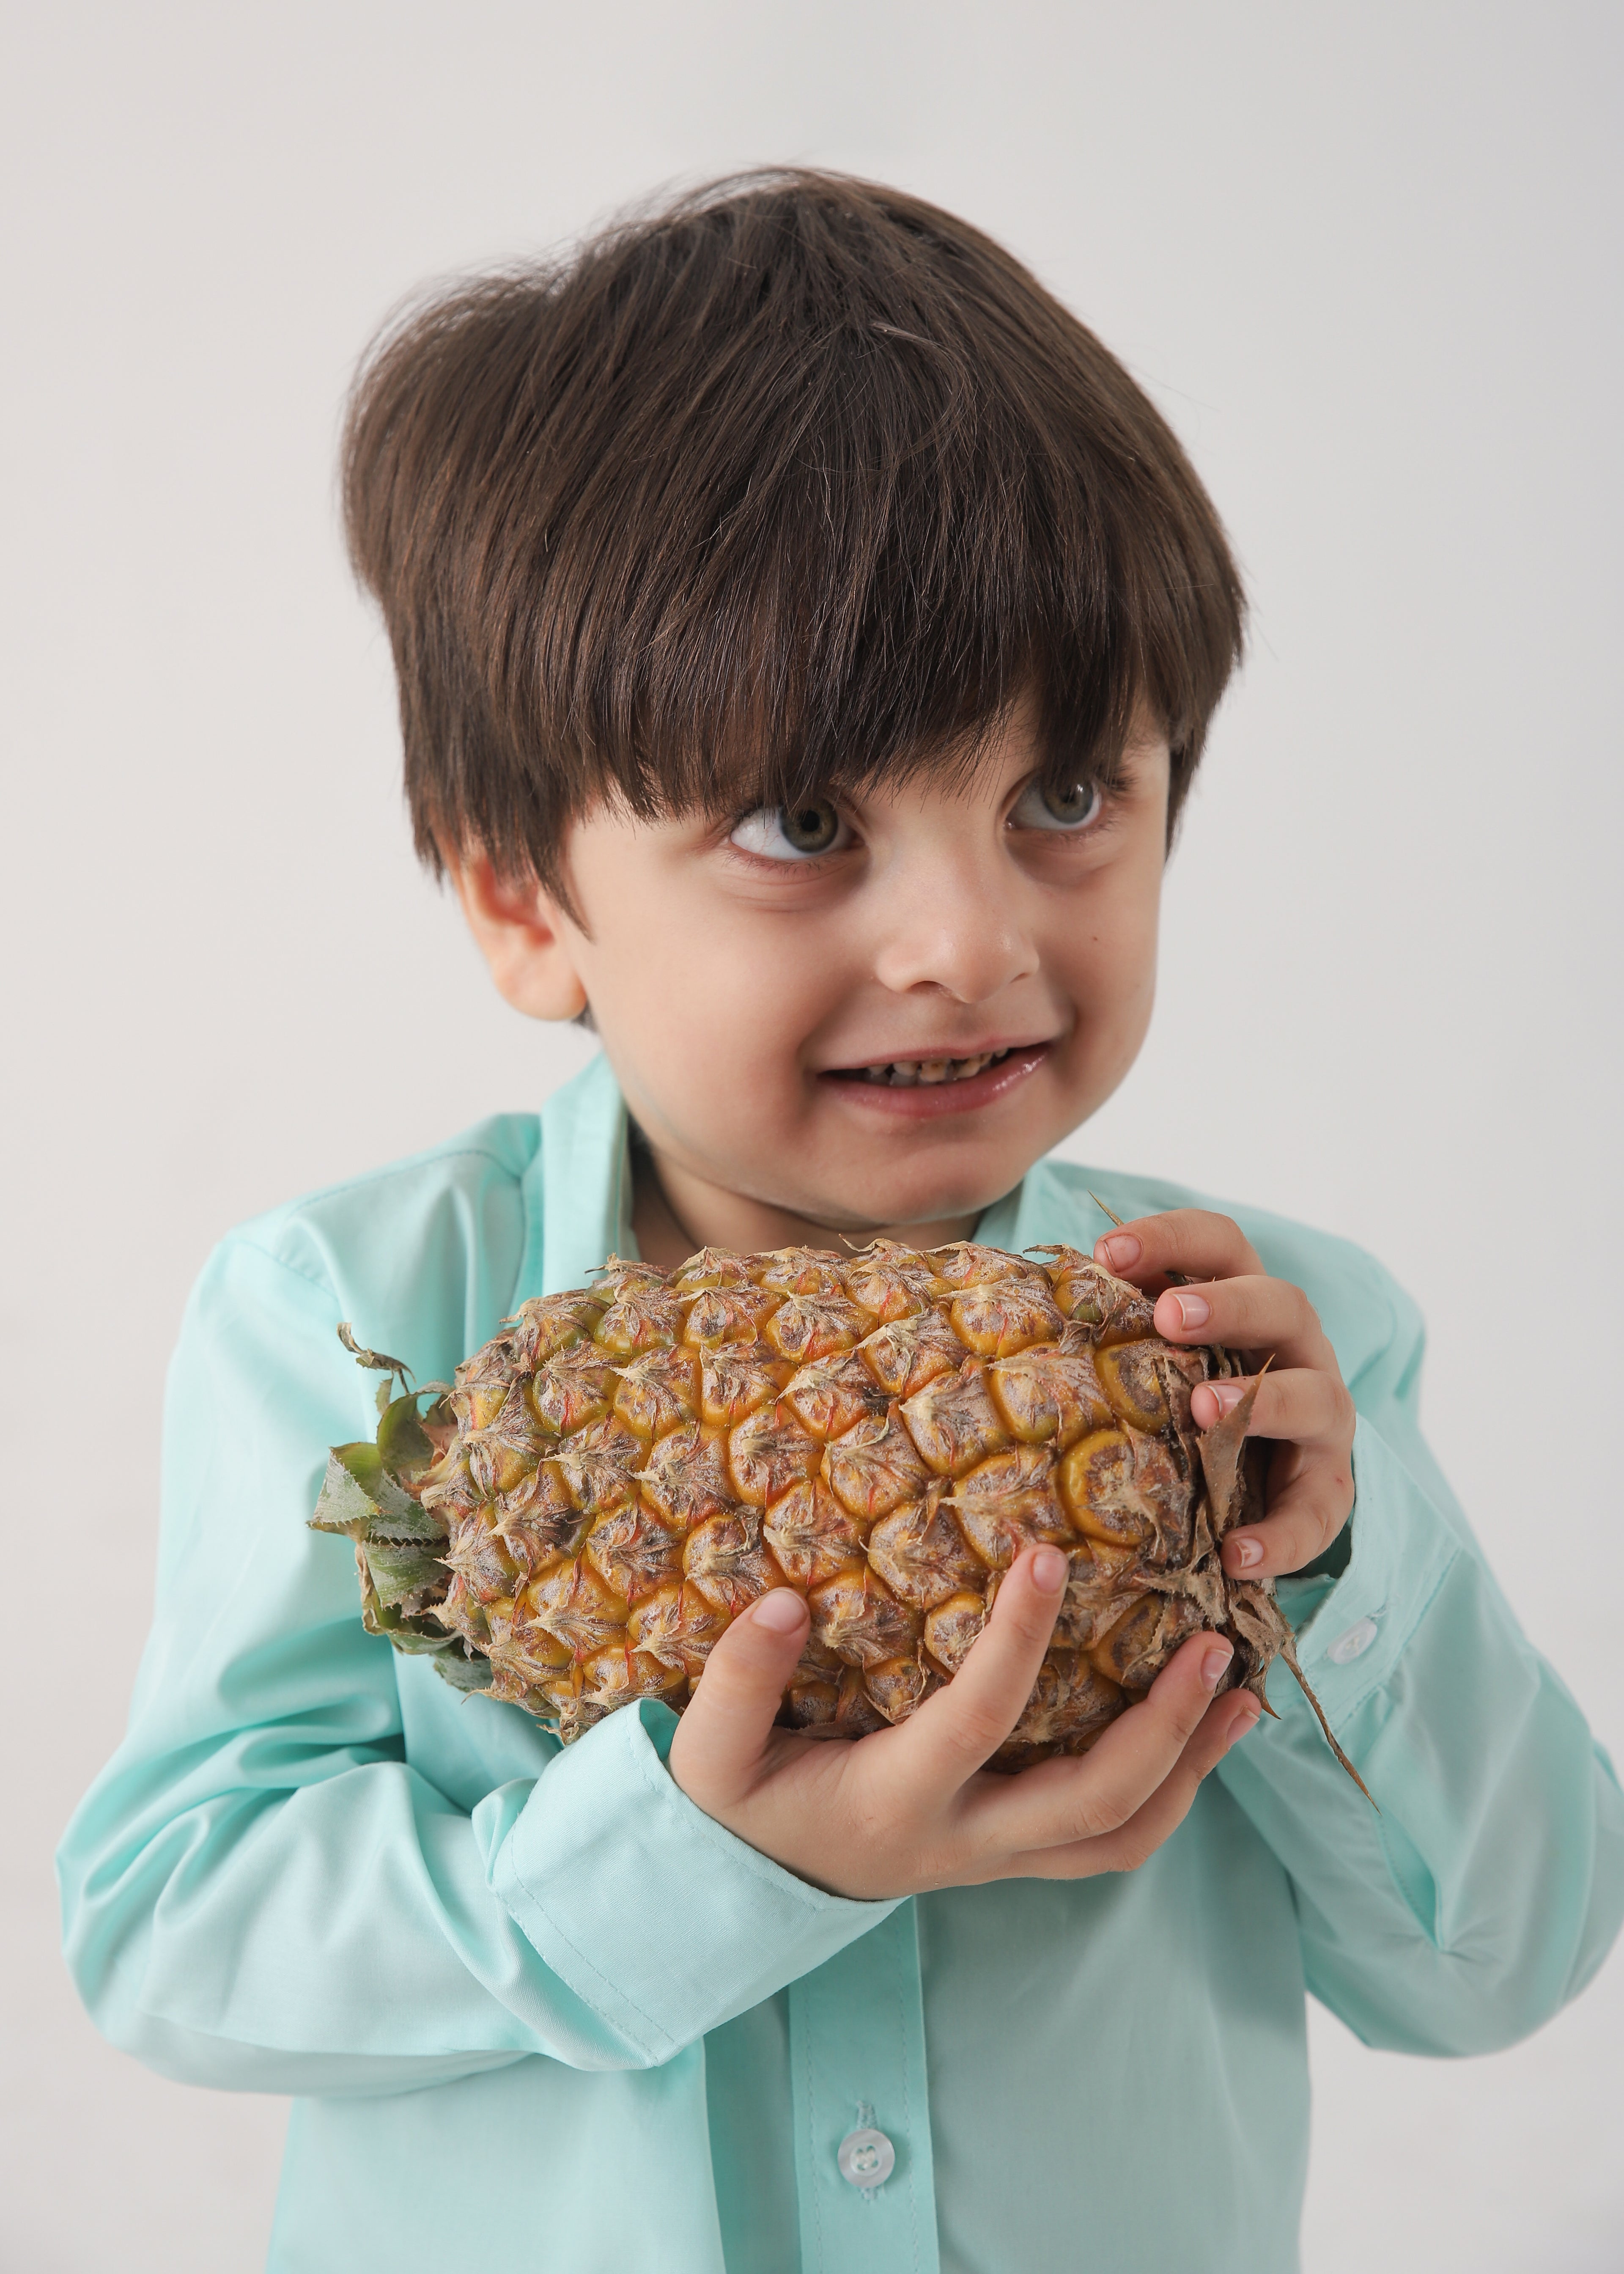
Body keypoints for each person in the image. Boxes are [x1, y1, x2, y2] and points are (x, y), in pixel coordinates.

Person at [58, 172, 1624, 2274]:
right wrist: (686, 1864)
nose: (973, 942)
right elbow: (179, 1931)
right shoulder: (355, 1312)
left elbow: (1497, 1964)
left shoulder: (1282, 1342)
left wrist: (1337, 1569)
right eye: (806, 824)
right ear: (528, 896)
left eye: (1069, 794)